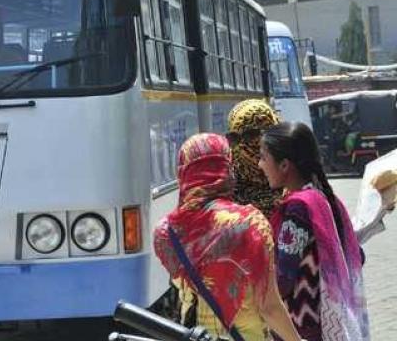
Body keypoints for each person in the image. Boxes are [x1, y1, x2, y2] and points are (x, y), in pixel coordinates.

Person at [154, 133, 303, 341]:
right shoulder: (249, 224)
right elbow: (268, 307)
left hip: (196, 335)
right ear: (226, 169)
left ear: (183, 172)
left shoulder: (164, 232)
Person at [259, 122, 370, 341]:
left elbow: (282, 281)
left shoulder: (297, 208)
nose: (259, 164)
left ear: (284, 165)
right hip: (324, 323)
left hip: (300, 329)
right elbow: (357, 256)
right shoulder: (324, 197)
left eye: (263, 157)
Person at [226, 99, 282, 217]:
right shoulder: (225, 185)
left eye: (250, 135)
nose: (241, 144)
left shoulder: (294, 183)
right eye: (234, 138)